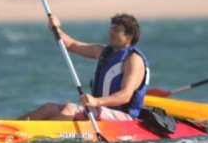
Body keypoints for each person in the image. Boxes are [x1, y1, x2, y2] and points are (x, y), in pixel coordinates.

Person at [20, 13, 149, 121]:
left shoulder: (133, 60)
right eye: (111, 28)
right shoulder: (101, 51)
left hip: (124, 118)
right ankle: (11, 126)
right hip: (100, 111)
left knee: (70, 108)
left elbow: (125, 96)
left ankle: (41, 135)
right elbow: (71, 44)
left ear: (129, 36)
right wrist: (56, 29)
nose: (110, 33)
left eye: (116, 30)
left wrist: (96, 102)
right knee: (49, 107)